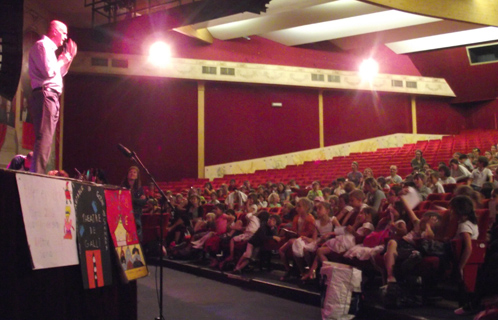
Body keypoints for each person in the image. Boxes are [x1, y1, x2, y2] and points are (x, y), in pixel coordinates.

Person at [28, 20, 77, 174]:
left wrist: (69, 58)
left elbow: (59, 73)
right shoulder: (42, 46)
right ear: (55, 31)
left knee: (47, 139)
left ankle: (39, 173)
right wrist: (63, 59)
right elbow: (49, 71)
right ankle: (37, 175)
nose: (65, 37)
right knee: (44, 138)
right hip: (45, 94)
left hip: (51, 96)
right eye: (64, 33)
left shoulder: (49, 49)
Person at [122, 166, 146, 242]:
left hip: (136, 214)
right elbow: (123, 201)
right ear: (127, 174)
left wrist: (131, 200)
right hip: (125, 214)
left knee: (138, 235)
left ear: (137, 175)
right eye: (130, 172)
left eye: (134, 172)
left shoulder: (139, 188)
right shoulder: (123, 187)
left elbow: (143, 202)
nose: (132, 173)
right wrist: (137, 200)